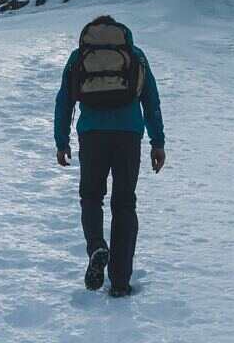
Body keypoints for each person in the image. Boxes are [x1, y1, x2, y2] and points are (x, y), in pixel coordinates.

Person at [54, 15, 166, 298]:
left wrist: (61, 140)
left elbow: (64, 99)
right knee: (124, 204)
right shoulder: (135, 55)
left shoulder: (79, 56)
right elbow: (151, 99)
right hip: (128, 135)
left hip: (92, 134)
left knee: (91, 197)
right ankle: (119, 282)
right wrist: (158, 142)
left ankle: (96, 247)